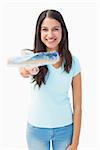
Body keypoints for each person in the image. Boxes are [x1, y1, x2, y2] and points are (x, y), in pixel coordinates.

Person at [20, 9, 82, 150]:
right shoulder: (33, 58)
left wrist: (75, 143)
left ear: (62, 31)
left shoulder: (73, 62)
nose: (50, 34)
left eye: (55, 29)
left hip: (65, 129)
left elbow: (78, 107)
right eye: (45, 29)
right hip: (36, 130)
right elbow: (23, 71)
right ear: (39, 32)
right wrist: (29, 67)